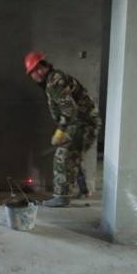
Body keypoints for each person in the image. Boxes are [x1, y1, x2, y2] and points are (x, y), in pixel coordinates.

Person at [24, 51, 101, 207]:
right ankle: (84, 190)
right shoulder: (52, 81)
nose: (37, 73)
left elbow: (70, 110)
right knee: (73, 155)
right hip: (83, 123)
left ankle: (61, 197)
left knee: (63, 156)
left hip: (82, 124)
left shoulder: (54, 81)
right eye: (33, 72)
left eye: (39, 68)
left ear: (46, 66)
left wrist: (60, 131)